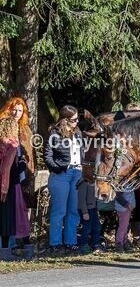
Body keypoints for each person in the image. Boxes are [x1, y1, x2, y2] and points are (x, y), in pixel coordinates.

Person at [44, 105, 83, 255]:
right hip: (62, 174)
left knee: (73, 211)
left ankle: (70, 241)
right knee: (59, 211)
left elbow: (82, 152)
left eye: (77, 119)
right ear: (65, 120)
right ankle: (55, 243)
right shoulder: (54, 133)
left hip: (77, 173)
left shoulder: (78, 133)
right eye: (74, 120)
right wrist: (58, 168)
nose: (77, 122)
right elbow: (48, 156)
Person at [0, 98, 32, 259]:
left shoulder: (22, 132)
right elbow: (7, 166)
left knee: (11, 214)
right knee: (12, 215)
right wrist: (21, 165)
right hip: (11, 182)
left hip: (14, 180)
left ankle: (11, 248)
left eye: (20, 110)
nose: (17, 113)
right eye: (15, 109)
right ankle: (12, 249)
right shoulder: (11, 144)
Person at [77, 177, 101, 254]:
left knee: (96, 227)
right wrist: (84, 212)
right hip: (86, 209)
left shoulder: (95, 183)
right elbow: (81, 200)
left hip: (93, 208)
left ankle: (95, 244)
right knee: (87, 228)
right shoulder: (83, 183)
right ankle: (84, 245)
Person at [113, 188, 135, 253]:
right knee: (123, 227)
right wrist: (127, 205)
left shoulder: (129, 183)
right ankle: (119, 243)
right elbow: (118, 196)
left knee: (125, 226)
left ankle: (124, 242)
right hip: (123, 209)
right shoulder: (122, 184)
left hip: (127, 208)